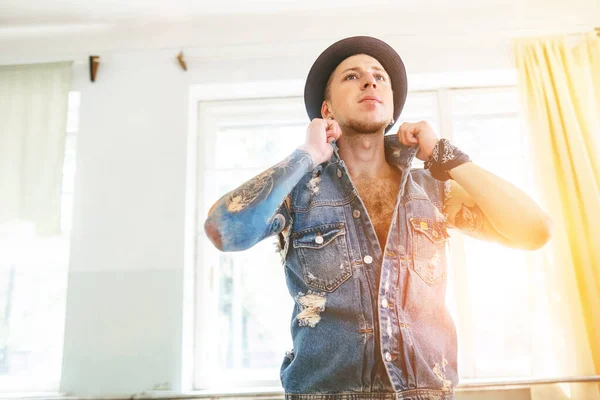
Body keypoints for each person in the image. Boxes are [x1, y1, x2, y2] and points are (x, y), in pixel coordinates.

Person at [204, 36, 552, 400]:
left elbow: (535, 230)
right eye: (352, 77)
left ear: (391, 109)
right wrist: (307, 154)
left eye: (379, 76)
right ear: (327, 110)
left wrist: (446, 158)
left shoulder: (433, 192)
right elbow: (224, 231)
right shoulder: (298, 193)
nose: (370, 81)